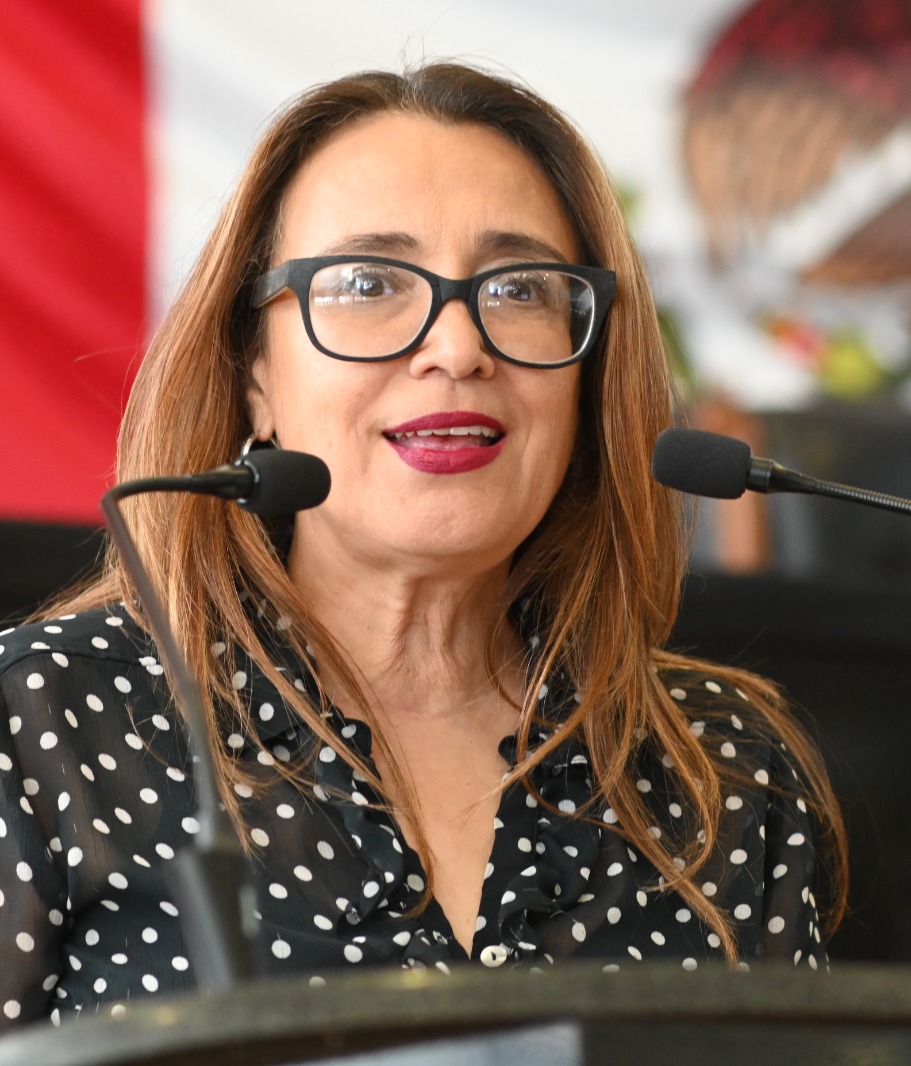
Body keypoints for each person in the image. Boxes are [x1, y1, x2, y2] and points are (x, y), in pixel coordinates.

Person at [0, 61, 844, 1027]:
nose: (457, 348)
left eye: (520, 288)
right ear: (255, 376)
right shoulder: (45, 722)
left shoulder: (722, 767)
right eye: (368, 283)